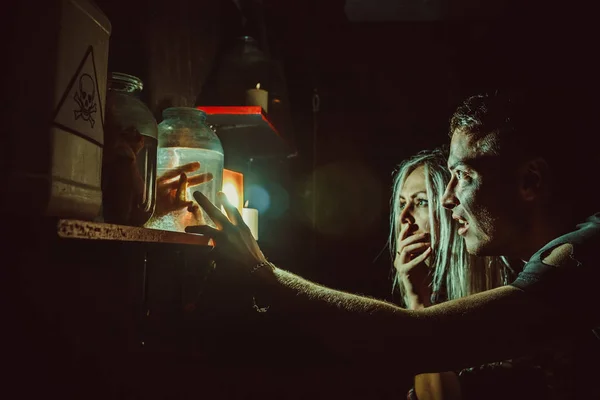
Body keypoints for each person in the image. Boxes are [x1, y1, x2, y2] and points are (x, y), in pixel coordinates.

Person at [186, 90, 600, 389]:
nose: (449, 198)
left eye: (466, 176)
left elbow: (411, 340)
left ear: (531, 180)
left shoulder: (580, 258)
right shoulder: (543, 261)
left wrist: (264, 275)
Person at [391, 148, 566, 400]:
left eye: (420, 202)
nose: (404, 218)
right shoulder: (434, 291)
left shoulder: (520, 280)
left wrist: (419, 302)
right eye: (400, 204)